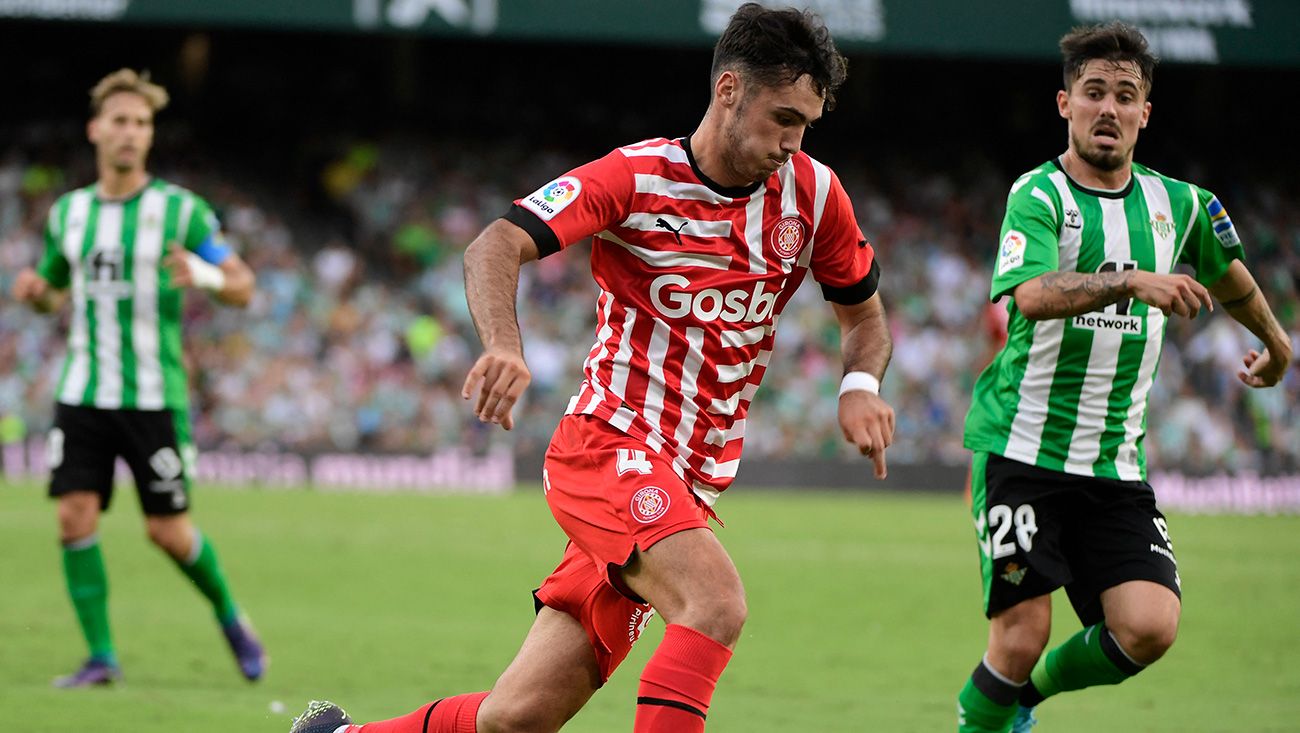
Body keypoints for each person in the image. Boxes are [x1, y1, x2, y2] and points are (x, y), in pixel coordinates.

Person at [292, 4, 895, 732]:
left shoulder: (815, 195)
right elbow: (495, 243)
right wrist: (504, 343)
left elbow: (863, 316)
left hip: (686, 482)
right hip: (608, 446)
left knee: (519, 715)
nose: (793, 142)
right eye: (783, 118)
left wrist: (859, 384)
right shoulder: (636, 178)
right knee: (715, 604)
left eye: (806, 125)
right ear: (729, 89)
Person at [955, 22, 1292, 733]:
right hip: (1022, 451)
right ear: (1064, 103)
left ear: (1146, 113)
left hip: (1112, 465)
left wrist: (1277, 342)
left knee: (1149, 626)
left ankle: (1022, 702)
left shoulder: (1184, 205)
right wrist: (1131, 281)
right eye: (1094, 92)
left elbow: (1232, 280)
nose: (1108, 108)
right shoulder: (1038, 195)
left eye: (1125, 95)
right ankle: (984, 714)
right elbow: (1032, 294)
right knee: (1020, 636)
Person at [11, 69, 264, 687]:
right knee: (73, 516)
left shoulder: (180, 211)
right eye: (120, 121)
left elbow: (243, 285)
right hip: (82, 394)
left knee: (167, 532)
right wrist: (37, 295)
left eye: (141, 124)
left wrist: (202, 276)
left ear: (149, 136)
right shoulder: (68, 214)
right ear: (96, 130)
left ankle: (231, 618)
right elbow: (53, 294)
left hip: (154, 398)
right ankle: (101, 657)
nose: (130, 133)